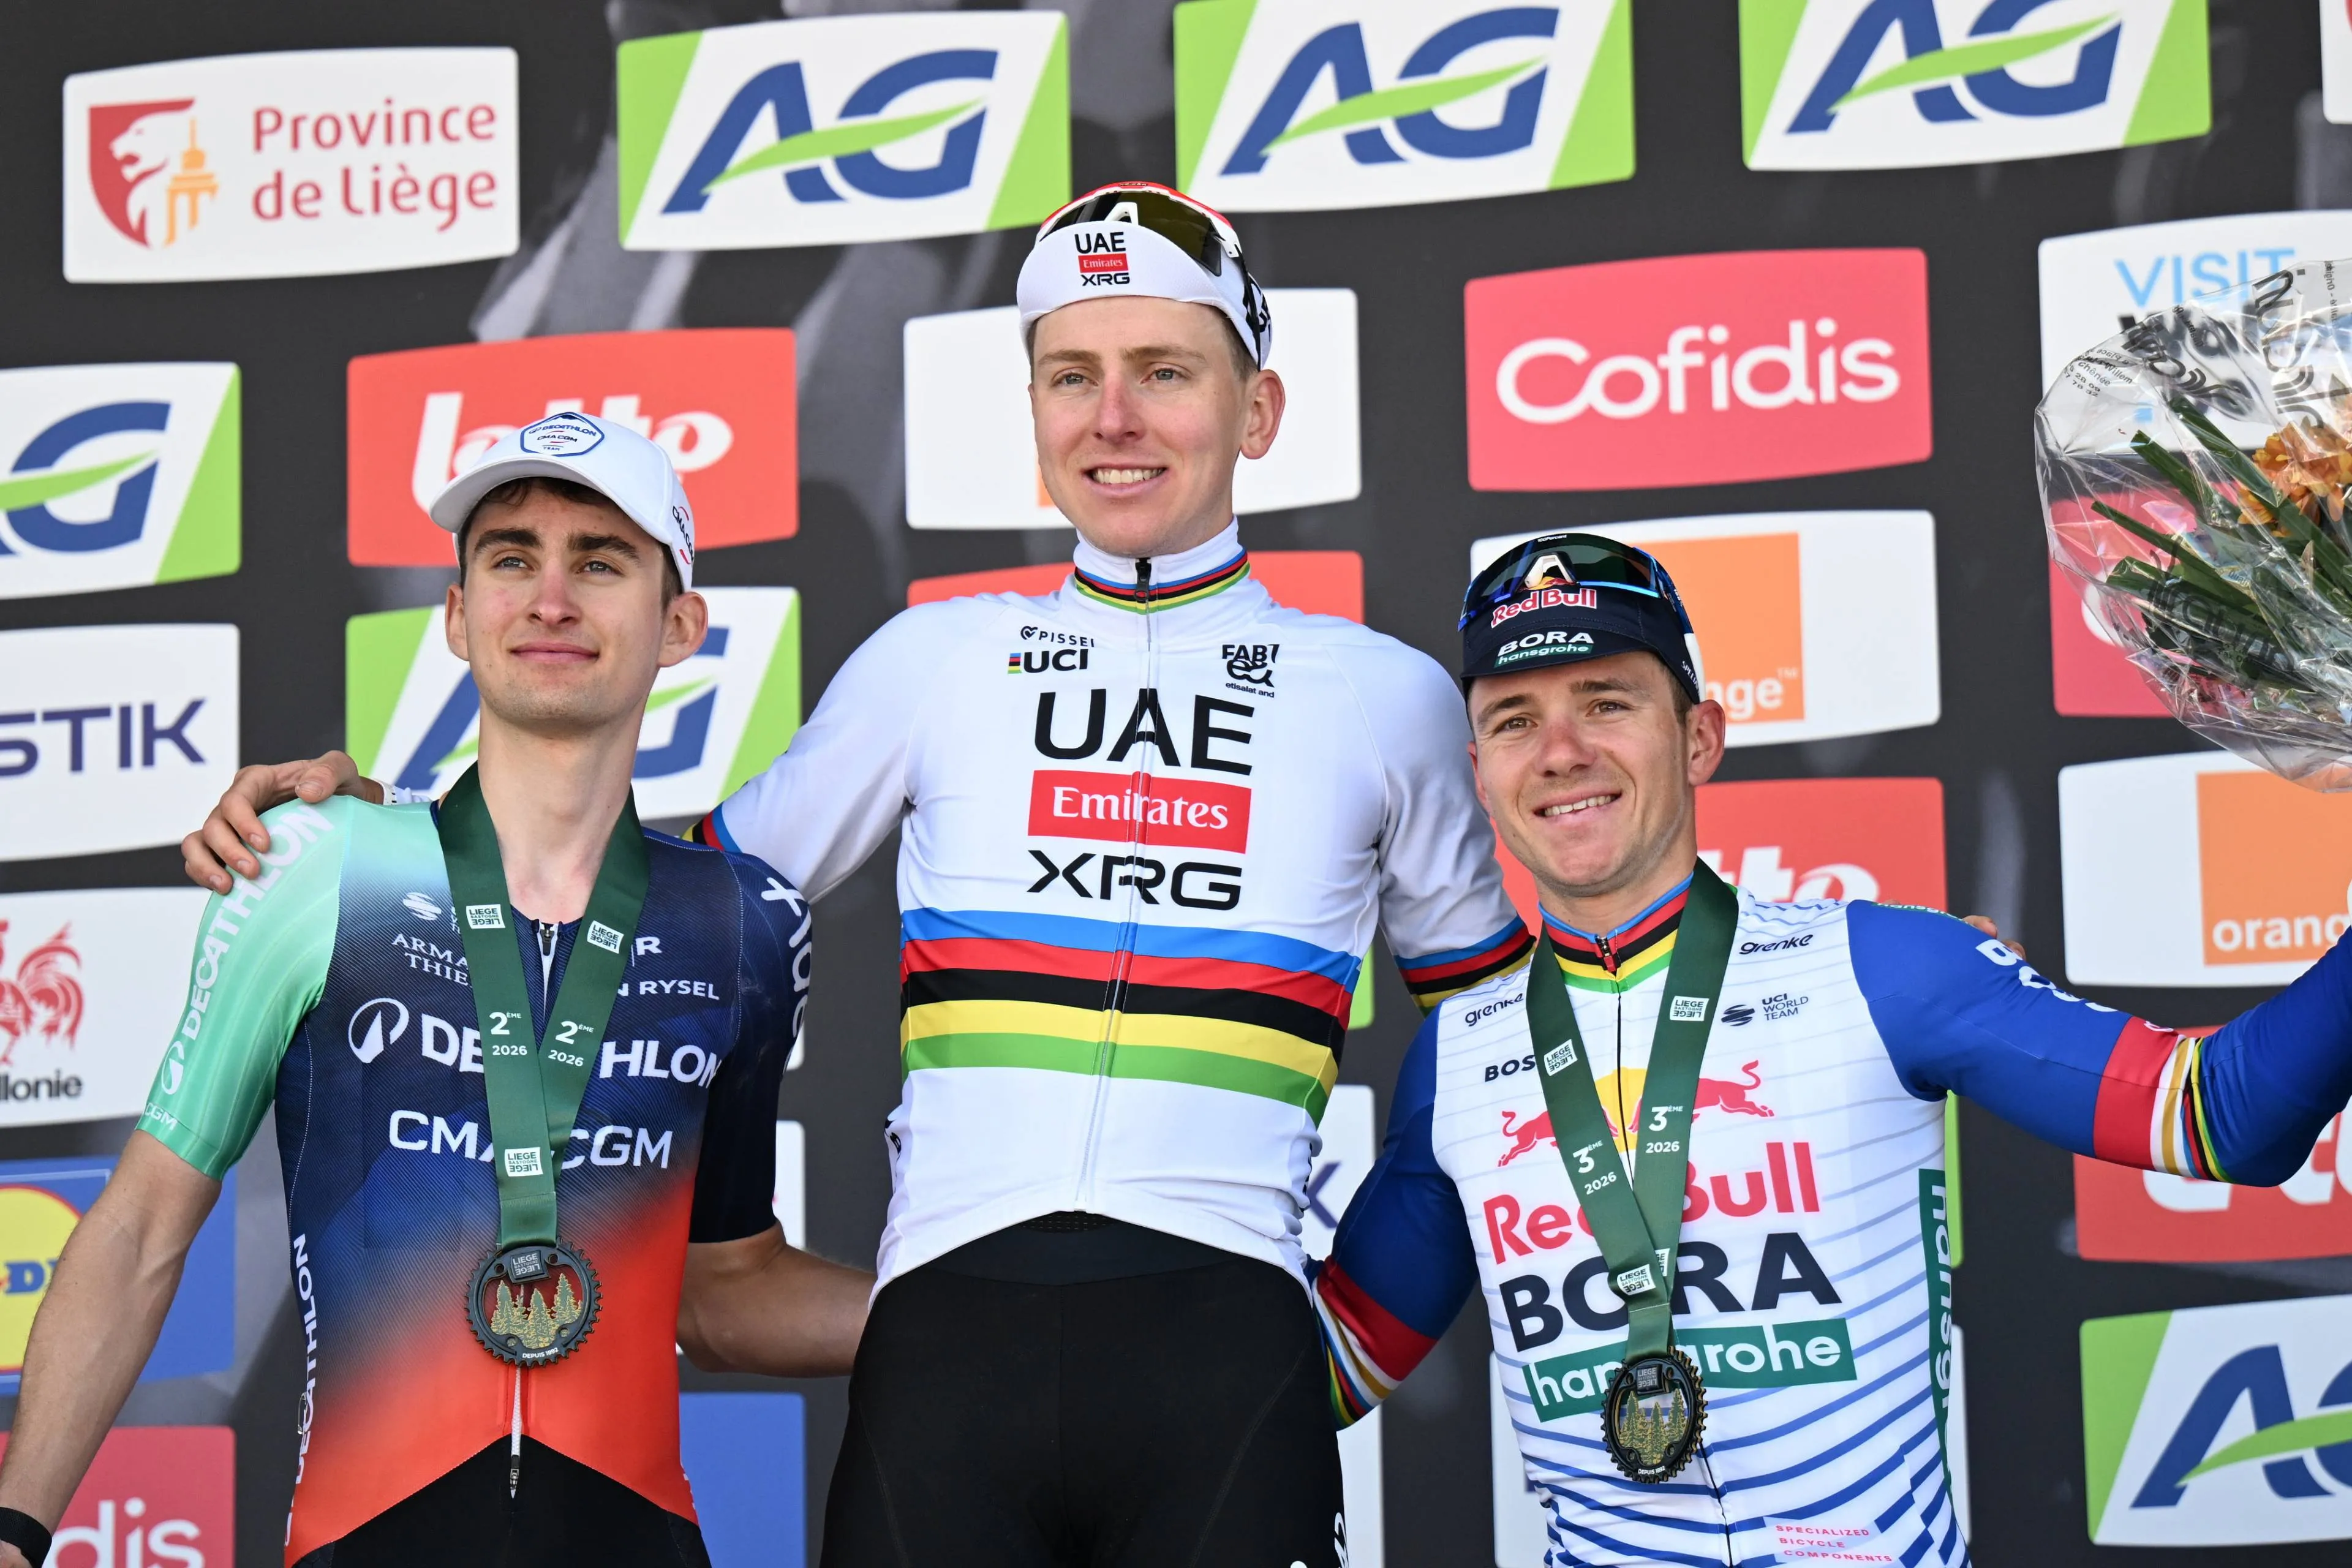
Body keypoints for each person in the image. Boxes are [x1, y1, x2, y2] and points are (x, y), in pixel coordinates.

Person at [179, 183, 1533, 1567]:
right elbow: (640, 894)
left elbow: (1497, 1043)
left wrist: (1367, 1330)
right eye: (1073, 376)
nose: (1113, 418)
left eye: (1164, 372)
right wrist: (378, 842)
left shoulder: (1385, 697)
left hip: (1226, 1344)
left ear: (1257, 412)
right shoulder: (935, 657)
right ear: (1033, 417)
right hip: (947, 1342)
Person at [1311, 532, 2352, 1568]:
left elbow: (2225, 1119)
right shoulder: (1458, 1057)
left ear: (1700, 737)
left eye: (1608, 702)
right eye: (1514, 720)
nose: (1561, 751)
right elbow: (1327, 1375)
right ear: (1481, 775)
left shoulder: (1887, 968)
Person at [0, 415, 869, 1568]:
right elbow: (146, 1224)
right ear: (458, 616)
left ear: (680, 625)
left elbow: (725, 1293)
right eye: (511, 558)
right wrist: (17, 1528)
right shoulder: (317, 864)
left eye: (599, 561)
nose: (549, 597)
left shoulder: (744, 925)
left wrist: (969, 1304)